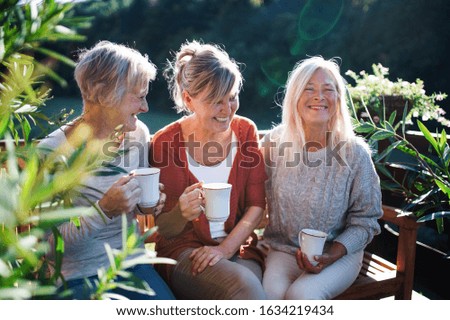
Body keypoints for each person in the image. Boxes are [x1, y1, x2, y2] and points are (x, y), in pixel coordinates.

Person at [38, 41, 174, 299]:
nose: (145, 107)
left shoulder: (137, 134)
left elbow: (139, 212)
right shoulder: (52, 153)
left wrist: (148, 205)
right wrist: (102, 211)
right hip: (76, 278)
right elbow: (49, 246)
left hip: (131, 265)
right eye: (139, 96)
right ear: (102, 95)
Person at [149, 40, 267, 299]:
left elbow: (256, 207)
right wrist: (181, 212)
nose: (228, 110)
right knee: (247, 290)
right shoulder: (166, 143)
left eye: (232, 97)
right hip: (183, 252)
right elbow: (166, 230)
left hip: (237, 248)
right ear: (189, 100)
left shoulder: (246, 131)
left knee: (253, 291)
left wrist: (224, 250)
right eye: (217, 101)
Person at [261, 56, 383, 299]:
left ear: (338, 99)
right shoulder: (274, 142)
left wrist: (334, 254)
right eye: (309, 88)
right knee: (269, 296)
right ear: (294, 96)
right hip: (283, 249)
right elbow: (251, 195)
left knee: (302, 296)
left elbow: (367, 220)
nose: (319, 96)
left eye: (328, 89)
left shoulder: (355, 153)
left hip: (340, 253)